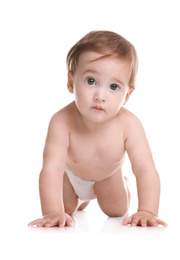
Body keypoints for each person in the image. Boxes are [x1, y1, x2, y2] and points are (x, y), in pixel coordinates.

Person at [29, 31, 167, 228]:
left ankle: (122, 183)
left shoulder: (129, 124)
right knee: (65, 211)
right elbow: (52, 168)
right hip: (71, 176)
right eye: (91, 81)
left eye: (113, 86)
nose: (100, 96)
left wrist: (147, 211)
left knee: (116, 210)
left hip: (108, 176)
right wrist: (51, 211)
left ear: (127, 95)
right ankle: (80, 199)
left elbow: (145, 170)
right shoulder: (61, 121)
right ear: (71, 82)